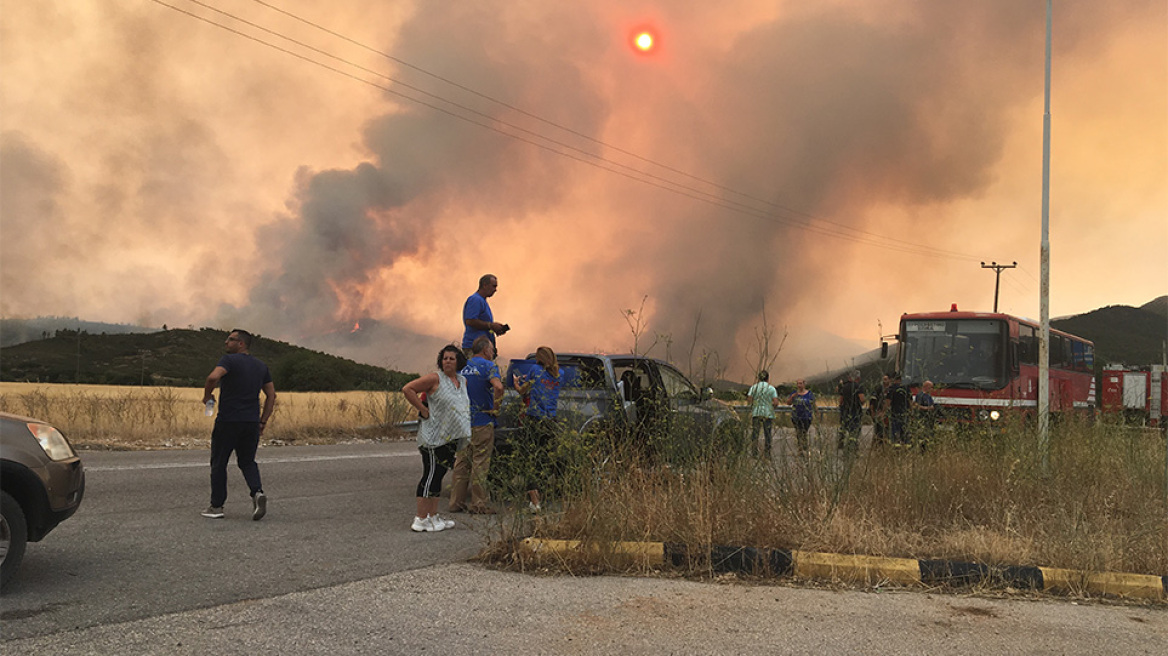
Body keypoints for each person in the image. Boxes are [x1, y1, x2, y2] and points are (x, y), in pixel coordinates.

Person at [201, 329, 276, 520]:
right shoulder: (261, 366)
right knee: (247, 461)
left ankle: (216, 507)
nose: (226, 342)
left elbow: (212, 377)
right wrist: (263, 421)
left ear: (241, 344)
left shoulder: (229, 361)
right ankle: (257, 492)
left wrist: (207, 395)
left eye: (231, 339)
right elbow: (271, 395)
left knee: (219, 463)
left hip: (228, 421)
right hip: (251, 422)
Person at [403, 345, 471, 532]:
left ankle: (433, 516)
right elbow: (408, 389)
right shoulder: (435, 379)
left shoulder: (462, 381)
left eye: (452, 358)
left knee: (440, 474)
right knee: (431, 474)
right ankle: (421, 518)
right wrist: (423, 410)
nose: (447, 361)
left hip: (451, 436)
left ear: (459, 361)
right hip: (433, 437)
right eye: (445, 358)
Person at [449, 336, 504, 514]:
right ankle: (479, 504)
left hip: (462, 422)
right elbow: (499, 387)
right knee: (480, 464)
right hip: (481, 422)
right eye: (492, 349)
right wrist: (496, 408)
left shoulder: (462, 366)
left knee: (461, 463)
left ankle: (456, 503)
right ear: (486, 350)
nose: (493, 352)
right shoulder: (488, 366)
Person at [514, 346, 562, 511]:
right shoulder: (559, 375)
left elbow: (522, 390)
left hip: (534, 420)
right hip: (551, 421)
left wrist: (515, 383)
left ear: (539, 358)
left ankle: (535, 502)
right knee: (544, 459)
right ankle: (537, 498)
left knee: (530, 460)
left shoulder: (535, 370)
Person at [462, 274, 510, 358]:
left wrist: (494, 328)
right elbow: (470, 321)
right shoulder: (475, 300)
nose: (495, 290)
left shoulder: (482, 301)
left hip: (483, 348)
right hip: (474, 348)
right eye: (493, 286)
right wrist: (490, 325)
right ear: (484, 285)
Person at [746, 371, 779, 456]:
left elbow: (749, 400)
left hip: (756, 413)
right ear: (768, 378)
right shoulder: (771, 388)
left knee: (755, 434)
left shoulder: (754, 387)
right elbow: (775, 402)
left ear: (759, 378)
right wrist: (771, 408)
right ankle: (767, 453)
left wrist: (755, 405)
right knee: (767, 434)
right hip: (768, 414)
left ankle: (754, 453)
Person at [836, 370, 866, 452]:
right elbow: (862, 399)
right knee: (854, 429)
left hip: (845, 411)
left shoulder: (844, 386)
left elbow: (840, 401)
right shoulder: (858, 386)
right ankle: (852, 446)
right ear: (858, 378)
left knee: (843, 427)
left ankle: (841, 442)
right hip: (855, 411)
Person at [787, 379, 815, 454]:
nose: (799, 385)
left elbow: (813, 404)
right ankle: (800, 448)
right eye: (798, 384)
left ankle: (804, 447)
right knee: (798, 432)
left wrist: (816, 412)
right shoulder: (794, 393)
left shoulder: (809, 394)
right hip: (796, 416)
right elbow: (788, 403)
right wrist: (792, 397)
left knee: (804, 432)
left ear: (804, 384)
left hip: (806, 417)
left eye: (801, 383)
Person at [885, 372, 912, 446]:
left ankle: (896, 448)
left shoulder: (891, 389)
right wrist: (911, 412)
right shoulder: (906, 388)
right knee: (905, 433)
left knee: (895, 433)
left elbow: (888, 403)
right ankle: (906, 447)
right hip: (905, 413)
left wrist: (885, 412)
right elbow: (910, 402)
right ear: (900, 379)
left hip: (895, 414)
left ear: (893, 379)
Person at [911, 380, 937, 451]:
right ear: (927, 387)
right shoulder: (920, 395)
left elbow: (932, 406)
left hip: (928, 419)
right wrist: (927, 408)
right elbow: (917, 406)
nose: (932, 389)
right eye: (931, 387)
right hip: (921, 419)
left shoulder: (929, 396)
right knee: (921, 435)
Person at [869, 374, 891, 446]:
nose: (885, 381)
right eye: (883, 379)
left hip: (888, 413)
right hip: (878, 412)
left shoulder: (891, 390)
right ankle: (877, 445)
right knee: (878, 431)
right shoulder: (878, 389)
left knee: (887, 431)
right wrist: (872, 412)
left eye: (886, 379)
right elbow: (872, 401)